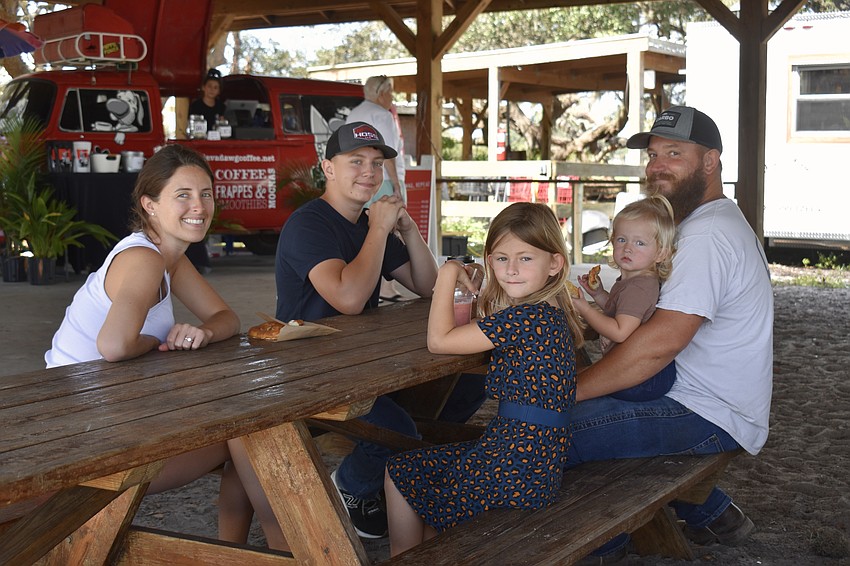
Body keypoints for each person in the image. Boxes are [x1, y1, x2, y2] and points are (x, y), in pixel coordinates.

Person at [44, 144, 287, 550]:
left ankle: (246, 552)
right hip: (75, 440)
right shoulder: (144, 259)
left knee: (247, 426)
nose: (199, 205)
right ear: (150, 205)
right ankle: (285, 549)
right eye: (183, 195)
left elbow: (227, 318)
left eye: (206, 193)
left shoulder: (169, 257)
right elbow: (115, 346)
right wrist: (161, 338)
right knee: (250, 431)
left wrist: (202, 333)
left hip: (101, 416)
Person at [569, 106, 774, 562]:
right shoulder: (702, 223)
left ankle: (603, 546)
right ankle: (713, 511)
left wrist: (564, 394)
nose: (657, 165)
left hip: (708, 410)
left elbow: (657, 346)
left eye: (674, 153)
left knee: (546, 430)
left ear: (710, 161)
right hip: (711, 398)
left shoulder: (706, 236)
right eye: (654, 153)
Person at [275, 121, 484, 539]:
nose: (369, 172)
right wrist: (378, 229)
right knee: (397, 429)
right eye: (355, 161)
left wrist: (406, 229)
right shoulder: (309, 224)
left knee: (468, 385)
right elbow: (348, 299)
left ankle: (407, 472)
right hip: (308, 369)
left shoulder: (371, 225)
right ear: (327, 168)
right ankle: (352, 485)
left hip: (361, 360)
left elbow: (428, 286)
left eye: (376, 163)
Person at [383, 202, 586, 556]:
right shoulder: (548, 313)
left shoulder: (526, 319)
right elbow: (490, 321)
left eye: (525, 258)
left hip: (513, 466)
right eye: (501, 258)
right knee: (429, 489)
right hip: (536, 464)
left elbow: (439, 341)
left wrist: (448, 273)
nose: (511, 269)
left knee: (402, 469)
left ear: (555, 263)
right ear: (490, 260)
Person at [572, 194, 677, 401]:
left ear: (661, 254)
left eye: (640, 243)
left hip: (642, 380)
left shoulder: (639, 288)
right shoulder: (632, 281)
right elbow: (618, 311)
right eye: (622, 239)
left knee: (580, 386)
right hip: (635, 373)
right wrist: (599, 294)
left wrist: (585, 309)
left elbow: (619, 332)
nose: (628, 247)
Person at [346, 75, 407, 302]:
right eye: (390, 92)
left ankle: (370, 284)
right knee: (390, 229)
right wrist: (397, 186)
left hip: (357, 179)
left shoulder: (355, 113)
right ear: (382, 93)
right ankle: (385, 288)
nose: (392, 97)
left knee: (365, 229)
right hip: (383, 179)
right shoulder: (382, 114)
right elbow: (387, 152)